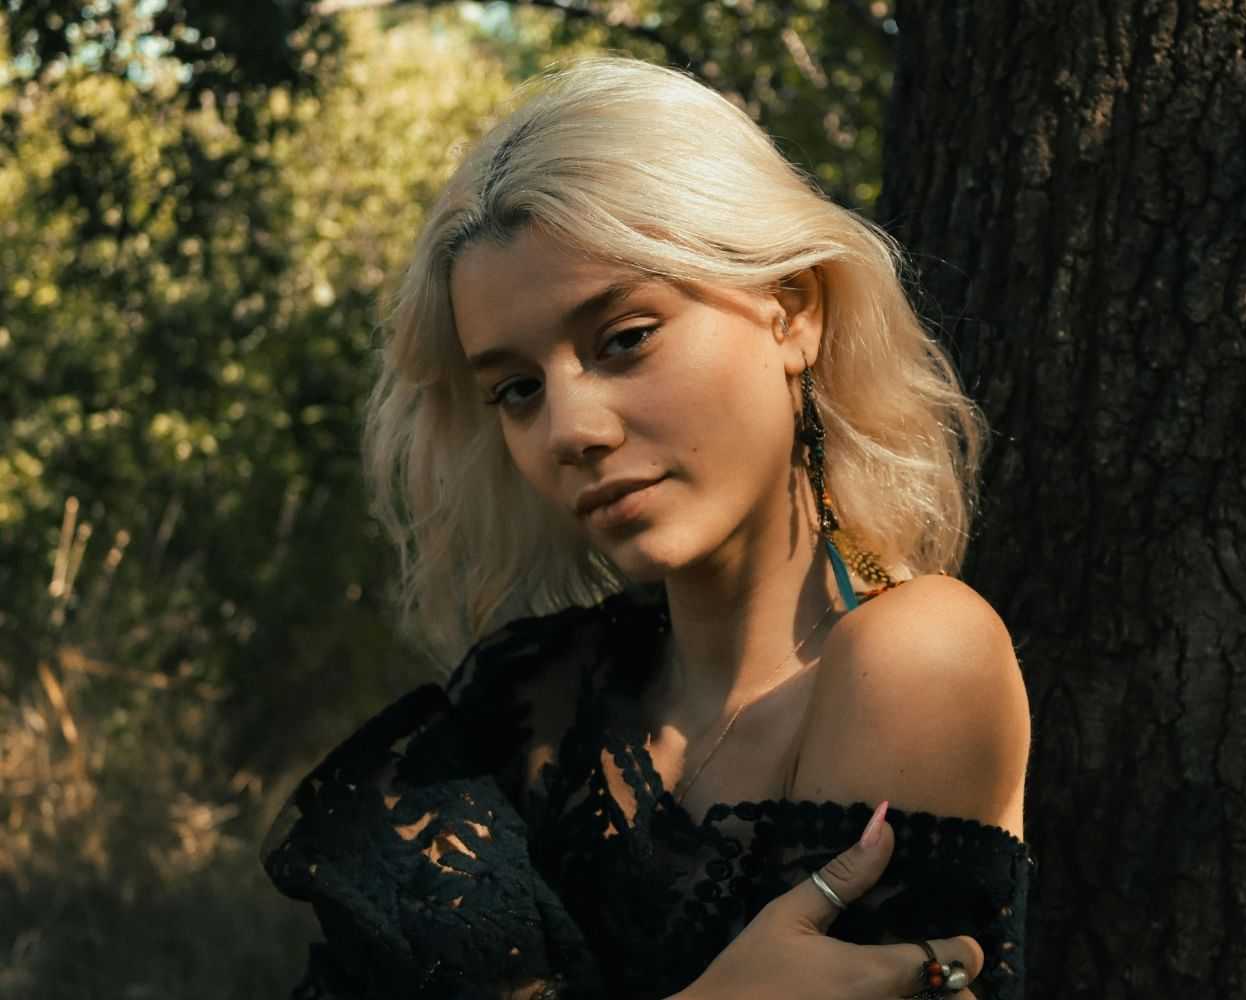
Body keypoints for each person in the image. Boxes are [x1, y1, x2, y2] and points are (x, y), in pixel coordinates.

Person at [262, 55, 1033, 999]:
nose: (569, 431)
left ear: (791, 310)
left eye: (624, 338)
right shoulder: (522, 702)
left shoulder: (917, 660)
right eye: (517, 389)